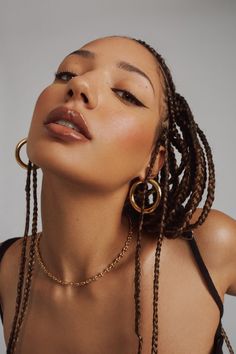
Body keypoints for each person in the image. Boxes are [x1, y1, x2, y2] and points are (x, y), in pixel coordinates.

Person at [0, 35, 235, 354]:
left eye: (127, 94)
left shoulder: (207, 247)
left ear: (154, 161)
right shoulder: (6, 271)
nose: (78, 86)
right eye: (67, 73)